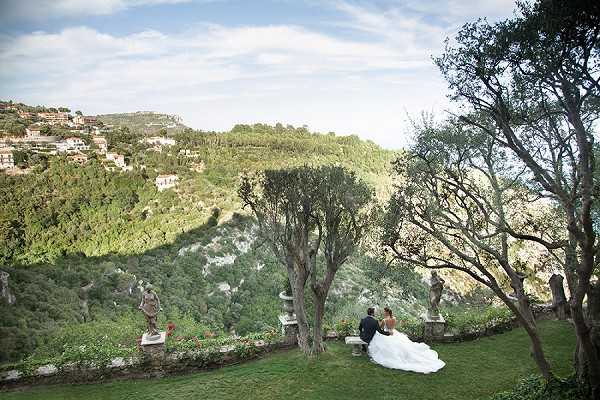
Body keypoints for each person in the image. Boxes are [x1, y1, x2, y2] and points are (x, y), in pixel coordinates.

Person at [368, 307, 445, 373]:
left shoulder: (384, 320)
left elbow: (381, 328)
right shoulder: (394, 318)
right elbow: (393, 326)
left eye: (384, 312)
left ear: (387, 312)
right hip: (394, 332)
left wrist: (380, 324)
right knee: (401, 346)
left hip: (388, 333)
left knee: (383, 343)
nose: (383, 313)